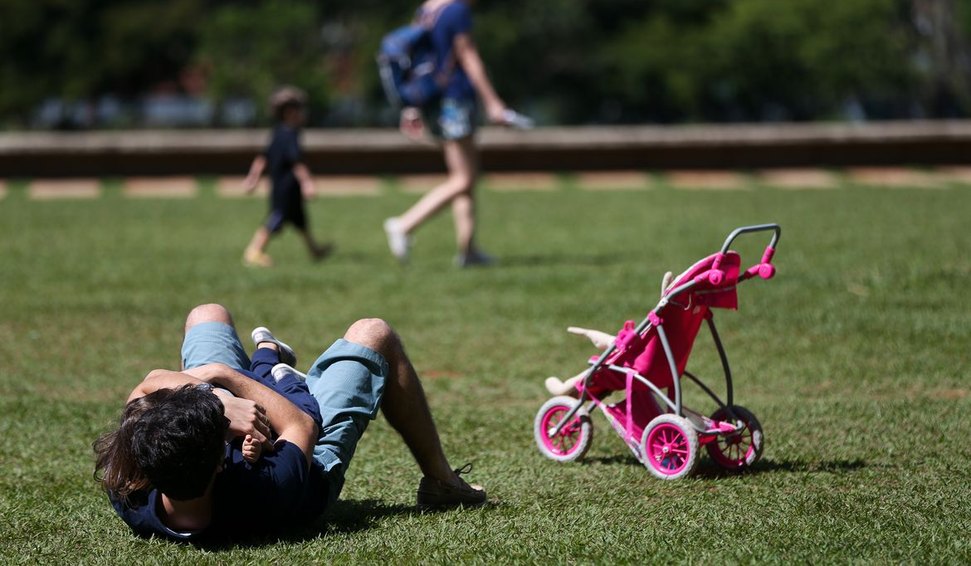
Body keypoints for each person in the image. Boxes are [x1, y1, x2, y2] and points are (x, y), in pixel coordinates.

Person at [93, 303, 486, 542]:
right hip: (308, 456)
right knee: (374, 332)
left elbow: (147, 384)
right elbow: (300, 424)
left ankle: (262, 367)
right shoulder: (269, 489)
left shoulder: (129, 484)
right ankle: (442, 482)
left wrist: (215, 398)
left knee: (207, 315)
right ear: (220, 461)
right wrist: (224, 378)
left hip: (207, 441)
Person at [383, 0, 510, 267]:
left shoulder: (427, 9)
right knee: (463, 179)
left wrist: (411, 107)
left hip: (435, 101)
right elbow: (468, 56)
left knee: (464, 176)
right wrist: (492, 102)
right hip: (456, 99)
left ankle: (468, 250)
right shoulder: (456, 10)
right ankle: (404, 224)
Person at [242, 86, 331, 268]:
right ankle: (254, 250)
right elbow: (296, 162)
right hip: (286, 187)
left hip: (284, 186)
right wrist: (307, 183)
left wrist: (253, 178)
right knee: (277, 218)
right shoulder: (290, 135)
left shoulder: (278, 132)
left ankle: (314, 250)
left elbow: (262, 158)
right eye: (300, 110)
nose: (303, 114)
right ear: (290, 112)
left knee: (300, 219)